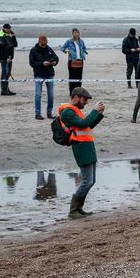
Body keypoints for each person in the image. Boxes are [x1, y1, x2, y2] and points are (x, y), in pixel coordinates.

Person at [57, 87, 105, 219]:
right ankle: (73, 211)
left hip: (87, 146)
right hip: (81, 148)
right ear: (76, 97)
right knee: (87, 181)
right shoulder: (67, 112)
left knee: (91, 180)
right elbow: (84, 124)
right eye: (84, 100)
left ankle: (78, 208)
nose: (86, 103)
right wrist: (94, 110)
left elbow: (87, 125)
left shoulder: (76, 111)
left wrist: (99, 113)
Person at [29, 35, 59, 120]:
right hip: (39, 74)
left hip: (49, 74)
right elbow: (32, 63)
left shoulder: (49, 49)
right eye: (43, 43)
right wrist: (42, 63)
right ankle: (37, 113)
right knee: (38, 95)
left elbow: (56, 58)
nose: (44, 45)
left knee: (51, 95)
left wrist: (54, 62)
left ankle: (49, 113)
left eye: (45, 43)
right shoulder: (33, 50)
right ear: (39, 41)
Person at [59, 28, 87, 94]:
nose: (76, 34)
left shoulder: (81, 41)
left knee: (79, 78)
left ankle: (79, 92)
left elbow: (84, 48)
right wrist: (67, 51)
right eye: (75, 32)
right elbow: (62, 48)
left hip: (80, 61)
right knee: (72, 77)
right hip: (72, 61)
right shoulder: (69, 41)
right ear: (72, 33)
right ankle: (72, 93)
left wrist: (84, 52)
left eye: (77, 32)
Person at [0, 23, 18, 96]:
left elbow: (15, 45)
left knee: (8, 73)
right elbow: (5, 48)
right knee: (4, 73)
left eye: (10, 28)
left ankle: (6, 89)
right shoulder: (1, 36)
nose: (9, 30)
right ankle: (3, 90)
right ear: (4, 28)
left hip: (10, 57)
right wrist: (7, 58)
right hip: (4, 58)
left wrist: (14, 37)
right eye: (8, 29)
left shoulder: (9, 35)